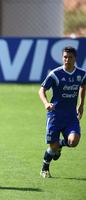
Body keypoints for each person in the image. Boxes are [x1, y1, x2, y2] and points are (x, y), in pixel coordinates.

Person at [39, 46, 86, 178]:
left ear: (75, 58)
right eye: (65, 57)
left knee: (74, 141)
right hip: (55, 116)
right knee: (52, 147)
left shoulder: (81, 74)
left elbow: (83, 85)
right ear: (62, 58)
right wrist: (46, 103)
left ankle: (60, 144)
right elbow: (41, 90)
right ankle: (45, 167)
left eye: (70, 57)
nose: (67, 60)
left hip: (71, 116)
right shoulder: (55, 74)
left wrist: (81, 104)